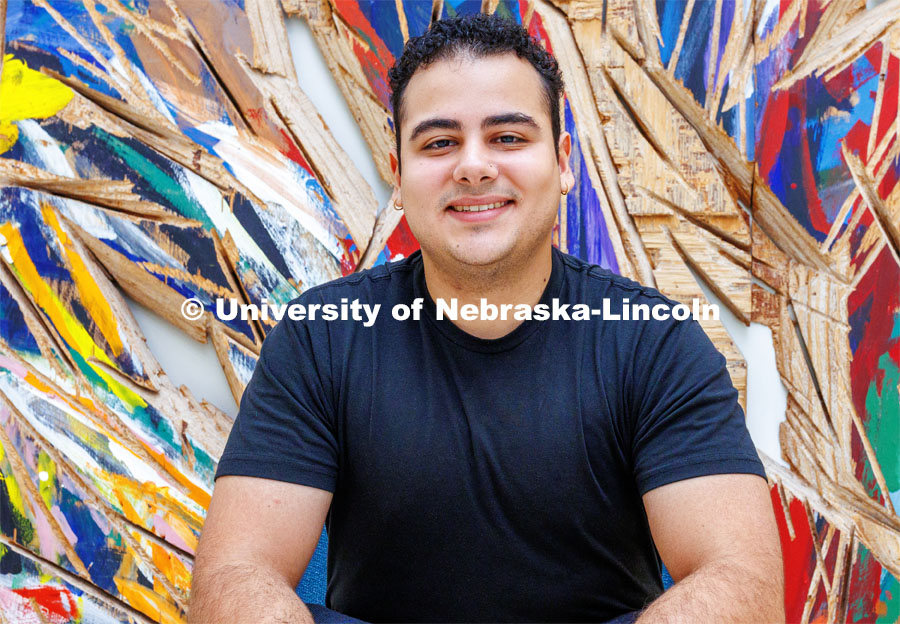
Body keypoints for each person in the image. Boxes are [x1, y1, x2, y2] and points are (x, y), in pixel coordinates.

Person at [187, 13, 784, 624]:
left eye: (507, 138)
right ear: (397, 174)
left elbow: (742, 585)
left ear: (564, 161)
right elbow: (235, 578)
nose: (473, 166)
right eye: (439, 142)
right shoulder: (323, 337)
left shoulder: (654, 342)